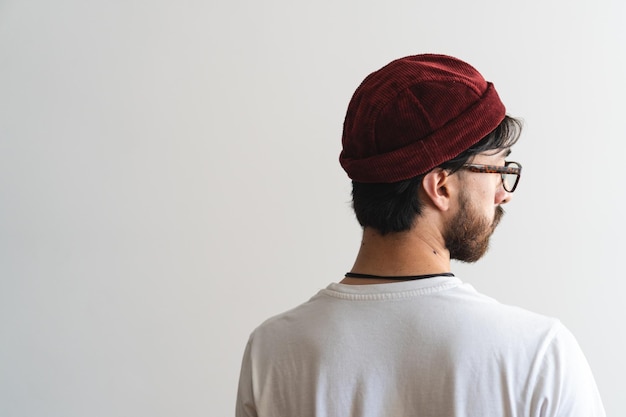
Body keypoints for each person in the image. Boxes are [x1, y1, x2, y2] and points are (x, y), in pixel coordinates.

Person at [235, 54, 605, 417]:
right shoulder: (537, 355)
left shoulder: (272, 352)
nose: (503, 193)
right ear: (440, 187)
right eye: (496, 170)